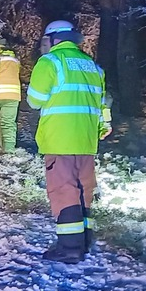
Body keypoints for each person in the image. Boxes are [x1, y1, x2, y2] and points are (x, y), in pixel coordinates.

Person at [26, 20, 112, 264]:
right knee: (84, 190)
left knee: (64, 191)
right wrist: (104, 126)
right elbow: (104, 104)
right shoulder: (93, 67)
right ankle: (84, 240)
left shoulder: (50, 62)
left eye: (45, 40)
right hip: (86, 140)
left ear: (54, 39)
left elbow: (35, 101)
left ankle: (70, 247)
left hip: (59, 139)